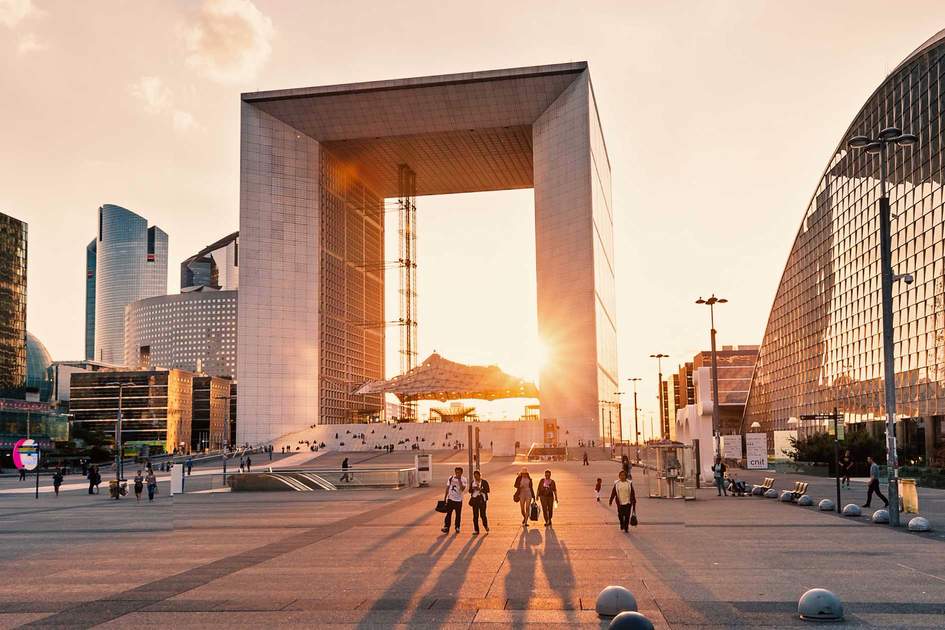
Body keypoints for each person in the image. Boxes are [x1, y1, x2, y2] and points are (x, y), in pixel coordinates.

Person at [441, 466, 467, 533]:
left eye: (459, 472)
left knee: (458, 514)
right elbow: (447, 487)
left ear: (461, 473)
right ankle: (446, 527)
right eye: (456, 472)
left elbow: (462, 489)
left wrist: (459, 480)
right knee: (448, 514)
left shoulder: (464, 479)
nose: (457, 473)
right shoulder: (451, 478)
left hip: (458, 500)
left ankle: (457, 527)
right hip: (450, 499)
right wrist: (445, 498)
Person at [469, 470, 490, 534]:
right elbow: (469, 490)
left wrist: (480, 489)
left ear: (480, 475)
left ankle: (486, 526)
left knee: (483, 515)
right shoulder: (473, 482)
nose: (476, 478)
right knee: (475, 515)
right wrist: (473, 489)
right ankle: (476, 530)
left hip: (482, 500)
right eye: (474, 476)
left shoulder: (484, 482)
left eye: (477, 476)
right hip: (475, 500)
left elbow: (488, 490)